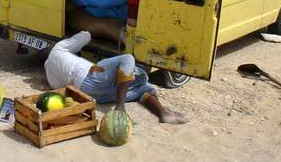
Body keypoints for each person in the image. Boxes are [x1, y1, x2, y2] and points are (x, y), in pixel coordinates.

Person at [44, 30, 187, 124]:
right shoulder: (59, 48)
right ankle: (120, 107)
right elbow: (85, 35)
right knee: (127, 59)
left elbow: (62, 88)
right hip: (92, 76)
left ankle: (163, 114)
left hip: (91, 94)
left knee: (143, 89)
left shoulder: (50, 76)